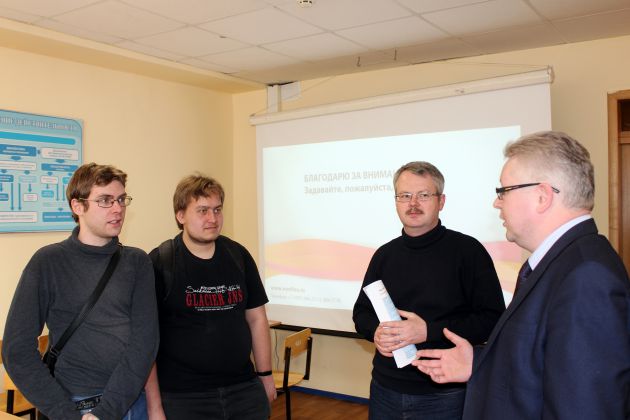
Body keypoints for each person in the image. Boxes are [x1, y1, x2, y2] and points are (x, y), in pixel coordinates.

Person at [414, 131, 630, 419]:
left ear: (542, 196)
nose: (497, 202)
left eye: (504, 191)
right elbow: (539, 364)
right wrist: (478, 363)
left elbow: (584, 408)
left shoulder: (587, 278)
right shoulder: (562, 263)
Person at [2, 163, 159, 420]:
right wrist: (64, 413)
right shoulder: (47, 262)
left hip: (129, 404)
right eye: (105, 200)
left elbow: (145, 343)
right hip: (71, 404)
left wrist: (106, 411)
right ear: (78, 206)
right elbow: (16, 350)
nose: (118, 209)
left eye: (121, 199)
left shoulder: (137, 262)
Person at [352, 161, 505, 419]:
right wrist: (375, 331)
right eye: (404, 196)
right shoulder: (384, 255)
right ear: (396, 201)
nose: (413, 203)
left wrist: (428, 331)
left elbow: (492, 320)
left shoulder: (469, 252)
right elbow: (361, 313)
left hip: (445, 395)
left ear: (441, 201)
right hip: (384, 388)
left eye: (423, 195)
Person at [145, 174, 276, 420]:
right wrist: (154, 407)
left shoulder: (238, 256)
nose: (213, 219)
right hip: (183, 397)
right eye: (202, 211)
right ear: (180, 215)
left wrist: (265, 375)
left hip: (244, 390)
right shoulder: (160, 262)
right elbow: (146, 339)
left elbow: (257, 319)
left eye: (217, 210)